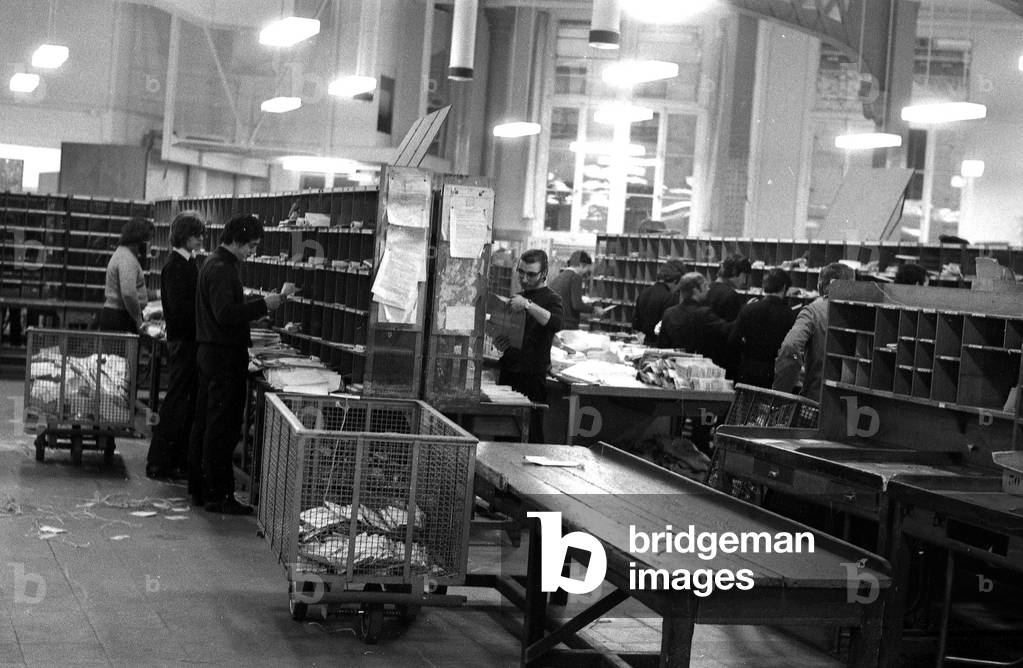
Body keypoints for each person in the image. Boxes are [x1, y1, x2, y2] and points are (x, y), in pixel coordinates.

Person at [189, 214, 294, 514]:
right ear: (237, 241)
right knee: (222, 427)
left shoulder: (213, 263)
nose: (252, 252)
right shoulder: (223, 269)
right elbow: (225, 314)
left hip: (211, 353)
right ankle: (218, 496)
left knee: (208, 423)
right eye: (251, 246)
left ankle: (203, 490)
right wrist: (264, 305)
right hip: (223, 357)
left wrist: (253, 309)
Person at [145, 211, 205, 481]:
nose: (200, 239)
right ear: (183, 235)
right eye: (196, 234)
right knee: (176, 403)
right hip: (183, 341)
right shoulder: (176, 266)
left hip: (187, 339)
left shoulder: (189, 262)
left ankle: (175, 460)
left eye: (201, 234)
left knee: (183, 402)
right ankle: (158, 462)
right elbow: (181, 310)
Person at [495, 249, 564, 442]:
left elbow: (556, 323)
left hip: (532, 378)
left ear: (544, 273)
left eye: (531, 274)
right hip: (509, 374)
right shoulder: (517, 298)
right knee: (504, 437)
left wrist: (527, 305)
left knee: (531, 436)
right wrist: (502, 342)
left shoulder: (552, 299)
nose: (524, 278)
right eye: (521, 272)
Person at [773, 262, 855, 402]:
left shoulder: (813, 311)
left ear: (820, 285)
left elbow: (790, 347)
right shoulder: (864, 311)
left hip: (818, 399)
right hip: (854, 404)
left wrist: (780, 393)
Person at [729, 268, 797, 389]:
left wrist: (747, 350)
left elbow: (733, 340)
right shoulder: (790, 315)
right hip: (774, 371)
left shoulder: (748, 309)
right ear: (784, 287)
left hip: (748, 369)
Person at [657, 272, 731, 368]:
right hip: (695, 368)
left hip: (672, 367)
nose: (708, 289)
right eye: (705, 286)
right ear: (695, 290)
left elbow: (662, 346)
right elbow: (728, 330)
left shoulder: (669, 313)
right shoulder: (703, 313)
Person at [98, 218, 153, 333]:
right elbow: (128, 294)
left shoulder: (124, 254)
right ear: (140, 239)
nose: (150, 245)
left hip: (120, 315)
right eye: (149, 239)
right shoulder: (127, 259)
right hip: (121, 317)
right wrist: (138, 320)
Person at [548, 250, 604, 330]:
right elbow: (577, 305)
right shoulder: (575, 277)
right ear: (582, 265)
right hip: (568, 324)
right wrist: (595, 310)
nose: (587, 273)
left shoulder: (559, 277)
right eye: (588, 269)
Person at [633, 259, 685, 343]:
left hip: (645, 341)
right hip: (660, 343)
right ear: (676, 280)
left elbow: (636, 323)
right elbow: (668, 328)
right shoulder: (670, 297)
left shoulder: (645, 292)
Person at [706, 254, 752, 322]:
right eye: (746, 277)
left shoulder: (708, 288)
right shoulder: (731, 295)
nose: (745, 283)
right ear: (735, 273)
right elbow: (734, 324)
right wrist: (746, 310)